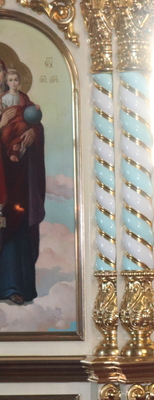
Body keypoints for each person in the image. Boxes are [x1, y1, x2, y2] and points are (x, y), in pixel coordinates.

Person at [0, 58, 46, 305]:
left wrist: (32, 133)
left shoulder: (23, 101)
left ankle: (16, 286)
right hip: (1, 177)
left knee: (18, 226)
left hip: (19, 176)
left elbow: (35, 122)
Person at [1, 69, 40, 163]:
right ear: (7, 82)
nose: (13, 83)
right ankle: (12, 149)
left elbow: (29, 106)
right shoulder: (3, 97)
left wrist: (35, 107)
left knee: (22, 127)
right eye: (10, 80)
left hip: (20, 120)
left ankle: (14, 150)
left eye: (16, 80)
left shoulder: (23, 96)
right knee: (5, 134)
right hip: (8, 123)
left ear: (19, 82)